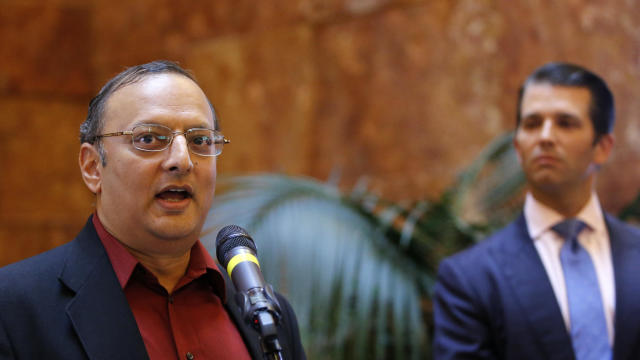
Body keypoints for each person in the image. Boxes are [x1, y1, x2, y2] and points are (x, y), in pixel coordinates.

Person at [0, 60, 306, 360]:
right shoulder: (13, 308)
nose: (182, 160)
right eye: (149, 138)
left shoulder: (268, 319)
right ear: (93, 167)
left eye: (199, 140)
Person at [433, 62, 640, 360]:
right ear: (518, 147)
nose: (545, 137)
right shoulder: (470, 278)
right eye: (532, 124)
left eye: (565, 123)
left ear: (603, 147)